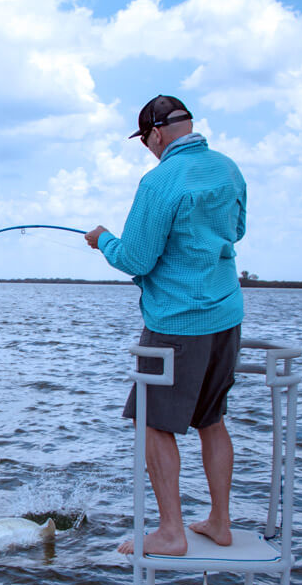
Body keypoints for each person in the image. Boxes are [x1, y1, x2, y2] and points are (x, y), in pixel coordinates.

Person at [85, 94, 247, 557]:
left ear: (156, 133)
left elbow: (135, 257)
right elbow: (235, 232)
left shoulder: (158, 182)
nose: (148, 150)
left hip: (177, 323)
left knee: (153, 423)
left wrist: (103, 241)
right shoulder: (228, 169)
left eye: (146, 142)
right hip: (226, 317)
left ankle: (171, 532)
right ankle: (220, 522)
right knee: (212, 420)